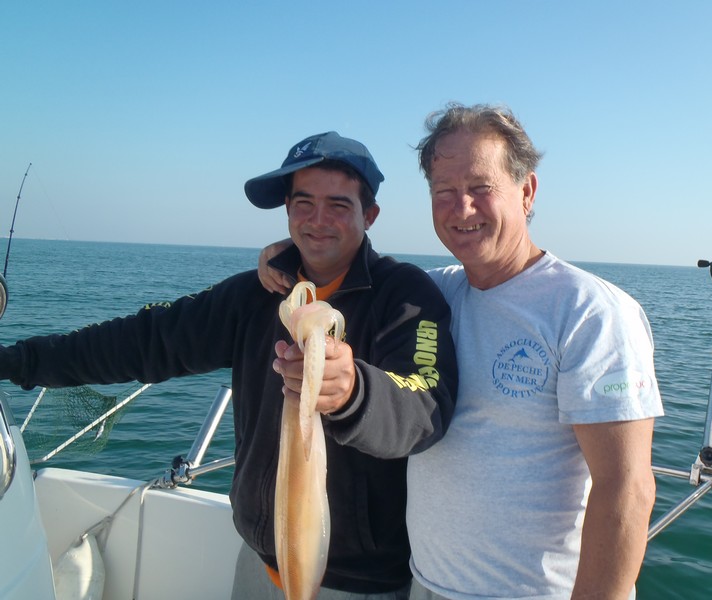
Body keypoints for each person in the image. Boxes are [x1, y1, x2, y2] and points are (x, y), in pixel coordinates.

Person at [0, 131, 458, 599]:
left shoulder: (405, 297)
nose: (318, 220)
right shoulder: (254, 295)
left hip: (357, 584)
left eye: (339, 205)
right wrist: (18, 362)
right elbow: (144, 340)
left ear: (370, 214)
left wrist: (354, 392)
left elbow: (425, 405)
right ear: (286, 209)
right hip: (258, 562)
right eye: (303, 203)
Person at [262, 105, 664, 599]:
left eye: (480, 187)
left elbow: (627, 488)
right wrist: (290, 255)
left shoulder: (590, 311)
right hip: (425, 583)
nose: (462, 208)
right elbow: (342, 283)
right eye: (444, 192)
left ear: (527, 191)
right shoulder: (430, 295)